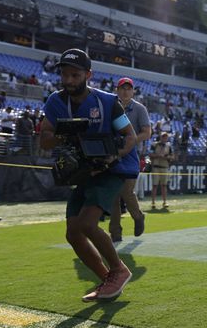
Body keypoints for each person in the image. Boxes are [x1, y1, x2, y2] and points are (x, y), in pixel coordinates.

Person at [39, 49, 138, 302]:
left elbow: (130, 136)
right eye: (64, 74)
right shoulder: (55, 101)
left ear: (88, 74)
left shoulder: (107, 102)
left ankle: (119, 270)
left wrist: (114, 155)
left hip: (111, 169)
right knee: (73, 233)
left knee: (86, 224)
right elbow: (45, 140)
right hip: (84, 171)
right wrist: (66, 133)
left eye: (75, 74)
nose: (69, 80)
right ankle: (109, 280)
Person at [108, 77, 150, 242]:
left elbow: (147, 133)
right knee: (113, 195)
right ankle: (115, 233)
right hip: (114, 154)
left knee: (126, 191)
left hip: (132, 156)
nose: (125, 91)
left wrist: (130, 142)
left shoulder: (140, 109)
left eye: (128, 88)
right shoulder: (111, 106)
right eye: (122, 88)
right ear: (117, 90)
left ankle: (138, 217)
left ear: (133, 91)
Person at [149, 132, 174, 210]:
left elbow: (172, 156)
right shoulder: (154, 145)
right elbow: (150, 154)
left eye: (166, 137)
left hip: (164, 167)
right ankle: (153, 202)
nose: (165, 138)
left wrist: (167, 157)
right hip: (155, 167)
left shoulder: (169, 146)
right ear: (161, 137)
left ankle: (165, 202)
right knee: (155, 185)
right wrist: (158, 156)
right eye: (163, 137)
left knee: (164, 185)